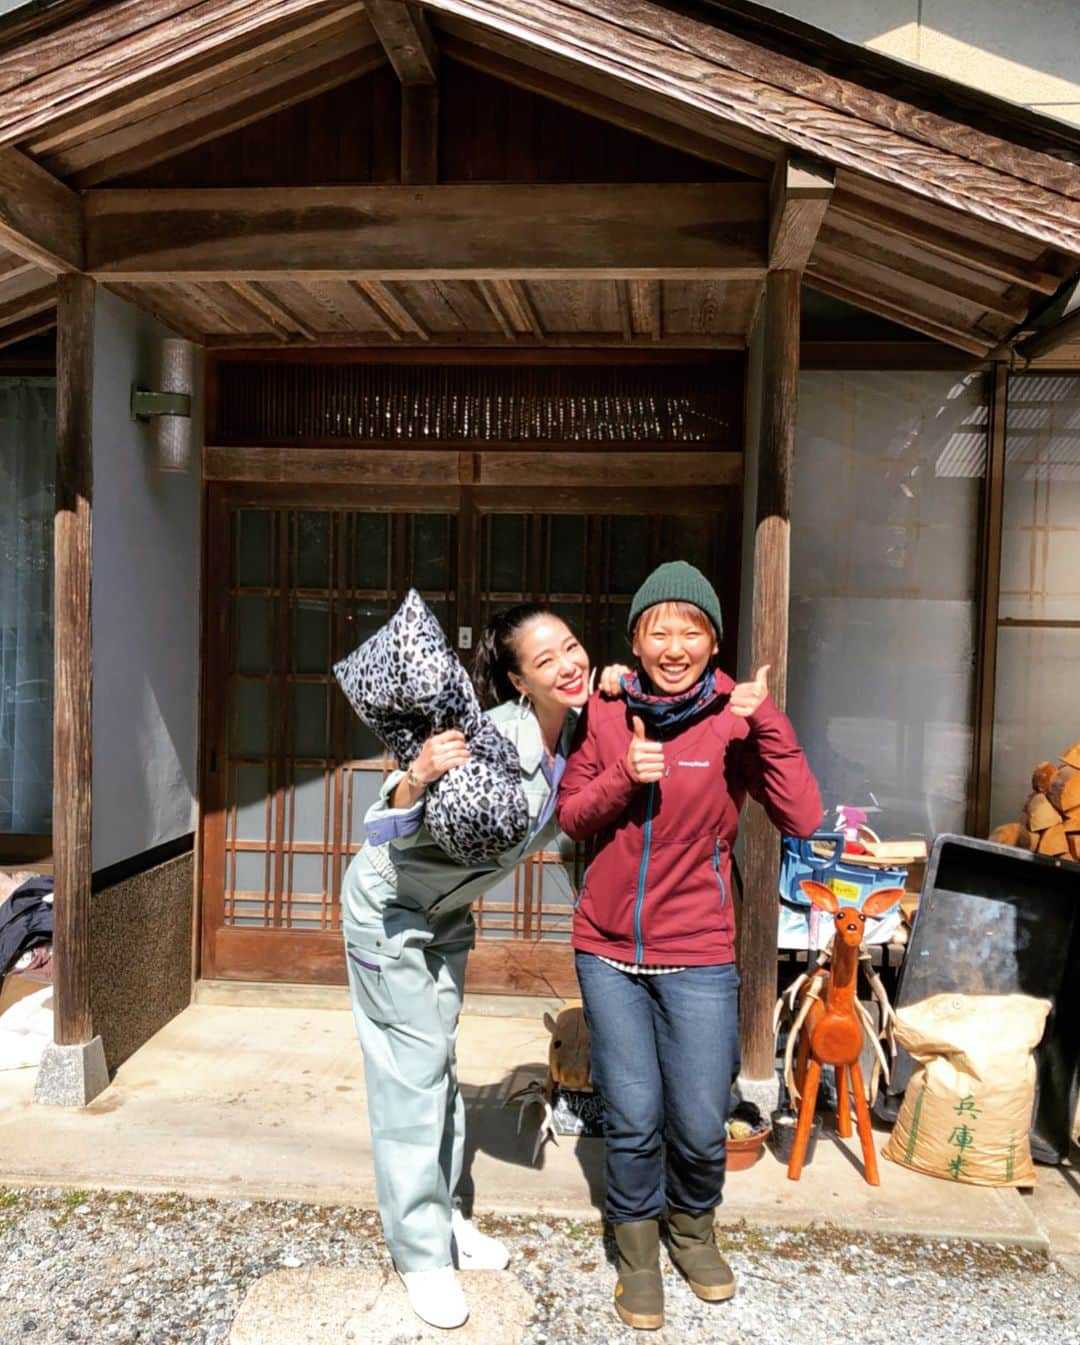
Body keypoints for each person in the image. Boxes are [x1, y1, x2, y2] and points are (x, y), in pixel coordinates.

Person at [557, 561, 822, 1330]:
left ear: (712, 641)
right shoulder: (606, 712)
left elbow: (802, 816)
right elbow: (573, 815)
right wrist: (623, 780)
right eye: (658, 629)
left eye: (691, 629)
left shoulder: (736, 718)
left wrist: (768, 718)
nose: (674, 644)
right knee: (633, 1113)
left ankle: (692, 1227)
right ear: (636, 641)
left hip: (699, 952)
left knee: (703, 1116)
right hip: (607, 950)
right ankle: (637, 1247)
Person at [340, 603, 596, 1331]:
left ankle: (446, 1212)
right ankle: (419, 1252)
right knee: (410, 1072)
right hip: (389, 912)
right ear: (518, 680)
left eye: (571, 647)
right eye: (545, 660)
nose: (567, 663)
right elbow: (378, 824)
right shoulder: (487, 735)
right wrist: (416, 773)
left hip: (446, 917)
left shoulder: (576, 741)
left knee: (438, 1067)